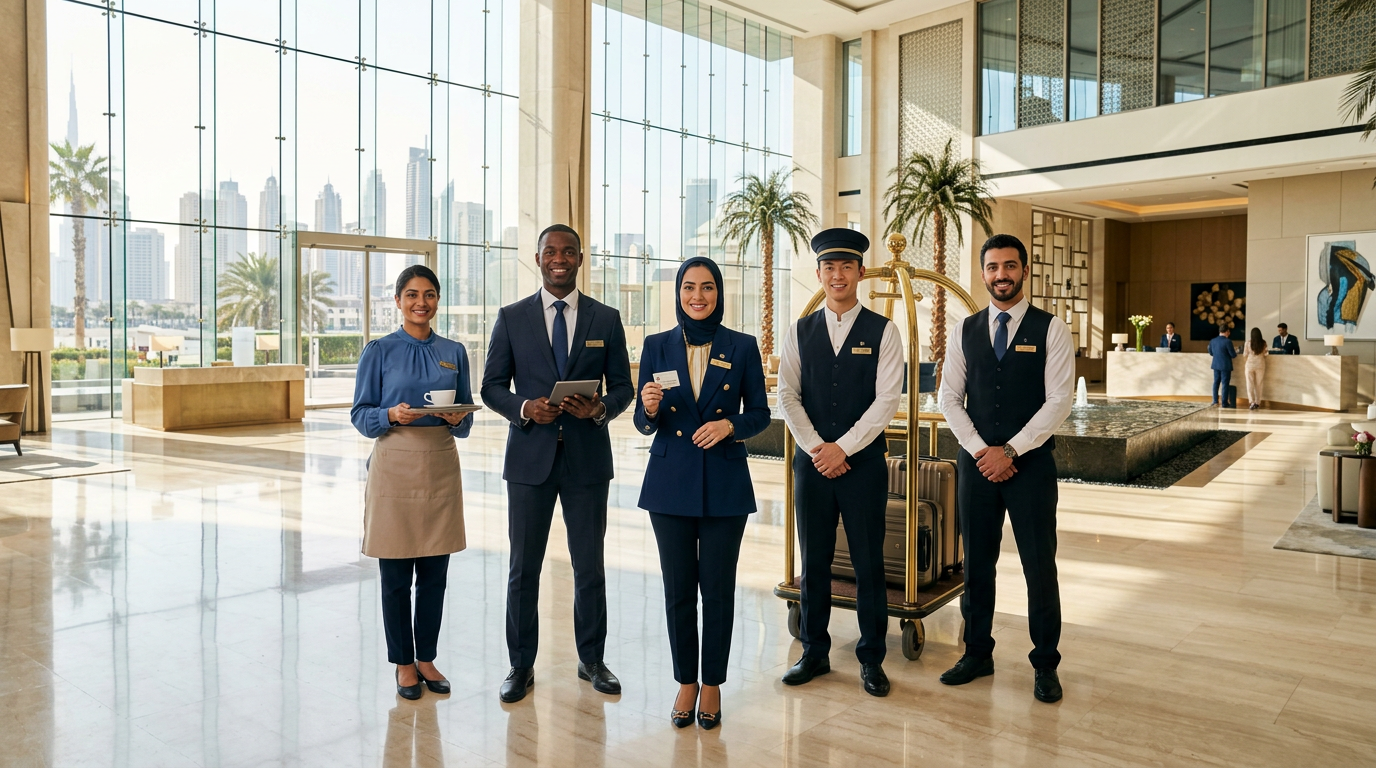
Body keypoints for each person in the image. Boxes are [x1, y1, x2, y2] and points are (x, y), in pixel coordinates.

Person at [481, 224, 634, 704]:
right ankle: (520, 665)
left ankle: (592, 660)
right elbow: (491, 387)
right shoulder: (511, 318)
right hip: (530, 461)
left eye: (569, 251)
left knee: (590, 567)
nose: (559, 258)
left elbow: (623, 388)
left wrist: (600, 409)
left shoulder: (606, 319)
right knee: (523, 568)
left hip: (587, 462)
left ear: (580, 259)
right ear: (538, 258)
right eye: (551, 251)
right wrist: (525, 408)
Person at [633, 256, 770, 730]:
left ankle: (711, 683)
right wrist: (649, 408)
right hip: (669, 485)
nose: (698, 296)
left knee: (717, 590)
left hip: (724, 484)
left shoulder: (742, 345)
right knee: (677, 592)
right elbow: (643, 422)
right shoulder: (656, 346)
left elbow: (760, 413)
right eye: (689, 287)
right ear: (678, 292)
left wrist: (730, 425)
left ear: (719, 293)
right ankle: (685, 682)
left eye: (707, 287)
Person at [937, 233, 1073, 704]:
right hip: (977, 465)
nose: (1002, 275)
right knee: (976, 563)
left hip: (1030, 466)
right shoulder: (964, 330)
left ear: (1024, 271)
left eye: (1010, 266)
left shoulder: (1052, 329)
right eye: (993, 267)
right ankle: (977, 653)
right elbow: (949, 398)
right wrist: (982, 451)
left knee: (1039, 565)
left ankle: (1045, 663)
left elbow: (1059, 401)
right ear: (983, 274)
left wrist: (1010, 451)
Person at [777, 228, 903, 698]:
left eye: (846, 266)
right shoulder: (799, 331)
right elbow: (786, 395)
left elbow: (886, 400)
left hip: (863, 466)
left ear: (860, 273)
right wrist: (818, 448)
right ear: (819, 274)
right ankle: (814, 652)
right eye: (829, 267)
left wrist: (842, 448)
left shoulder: (884, 331)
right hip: (812, 465)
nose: (837, 275)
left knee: (869, 562)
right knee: (814, 560)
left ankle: (871, 658)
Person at [351, 264, 474, 701]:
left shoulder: (454, 351)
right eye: (412, 295)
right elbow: (360, 414)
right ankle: (404, 663)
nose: (421, 303)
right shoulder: (379, 351)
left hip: (440, 463)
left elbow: (465, 421)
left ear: (438, 300)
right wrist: (390, 414)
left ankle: (427, 658)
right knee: (397, 576)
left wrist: (456, 419)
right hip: (395, 464)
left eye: (429, 295)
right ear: (398, 301)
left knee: (435, 576)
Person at [1209, 325, 1237, 407]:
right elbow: (1233, 355)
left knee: (1216, 382)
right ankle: (1224, 403)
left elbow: (1211, 352)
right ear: (1227, 331)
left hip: (1216, 364)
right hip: (1225, 365)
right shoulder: (1228, 341)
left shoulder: (1213, 341)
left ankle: (1215, 401)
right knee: (1225, 384)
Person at [1244, 327, 1269, 410]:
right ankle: (1258, 402)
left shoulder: (1248, 343)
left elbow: (1245, 354)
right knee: (1259, 384)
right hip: (1260, 365)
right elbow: (1266, 354)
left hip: (1249, 365)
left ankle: (1252, 402)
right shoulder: (1263, 343)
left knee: (1249, 383)